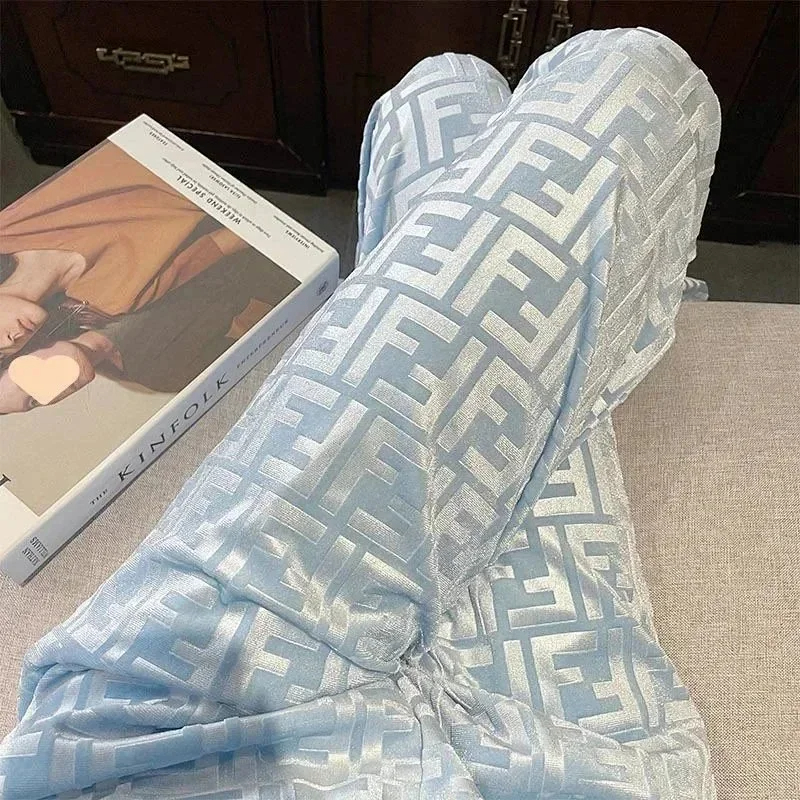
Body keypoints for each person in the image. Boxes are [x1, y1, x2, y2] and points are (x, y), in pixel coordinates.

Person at [0, 29, 721, 800]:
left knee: (444, 95)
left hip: (172, 723)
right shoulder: (119, 341)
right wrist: (90, 349)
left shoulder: (77, 262)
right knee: (619, 72)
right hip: (541, 756)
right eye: (26, 397)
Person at [0, 148, 297, 412]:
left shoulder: (11, 222)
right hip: (255, 183)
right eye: (33, 401)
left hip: (183, 148)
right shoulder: (114, 300)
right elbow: (226, 242)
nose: (8, 342)